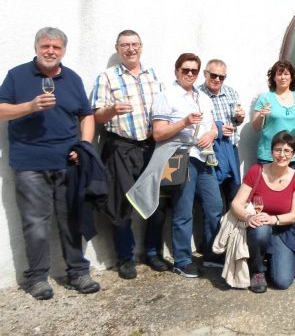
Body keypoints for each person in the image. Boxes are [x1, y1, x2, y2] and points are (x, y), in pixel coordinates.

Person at [0, 27, 99, 299]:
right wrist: (30, 107)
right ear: (36, 48)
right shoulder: (17, 75)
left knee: (72, 220)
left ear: (63, 51)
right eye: (45, 46)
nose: (50, 51)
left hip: (68, 164)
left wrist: (85, 145)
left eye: (56, 47)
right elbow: (1, 110)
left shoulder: (72, 78)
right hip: (30, 164)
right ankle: (37, 278)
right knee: (36, 224)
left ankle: (78, 272)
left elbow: (86, 115)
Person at [90, 29, 167, 279]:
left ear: (141, 47)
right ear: (117, 48)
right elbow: (97, 115)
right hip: (120, 147)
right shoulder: (107, 77)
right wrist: (111, 110)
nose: (130, 49)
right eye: (125, 45)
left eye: (134, 44)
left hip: (150, 146)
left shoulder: (153, 75)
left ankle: (153, 252)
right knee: (120, 204)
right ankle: (126, 257)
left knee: (155, 202)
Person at [151, 53, 222, 278]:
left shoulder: (203, 97)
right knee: (183, 210)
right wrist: (183, 122)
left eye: (193, 70)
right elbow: (158, 133)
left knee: (214, 206)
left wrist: (211, 134)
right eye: (185, 70)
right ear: (176, 71)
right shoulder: (166, 96)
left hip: (203, 157)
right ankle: (182, 260)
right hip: (180, 157)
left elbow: (213, 126)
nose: (189, 74)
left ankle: (212, 255)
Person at [230, 131, 295, 293]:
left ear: (293, 154)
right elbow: (236, 203)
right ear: (271, 151)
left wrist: (273, 219)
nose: (282, 155)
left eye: (287, 151)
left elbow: (294, 215)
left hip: (283, 230)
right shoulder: (256, 171)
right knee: (261, 230)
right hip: (257, 227)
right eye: (278, 150)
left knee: (282, 281)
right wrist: (248, 216)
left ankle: (271, 256)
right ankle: (257, 269)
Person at [198, 59, 246, 204]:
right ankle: (215, 227)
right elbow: (196, 124)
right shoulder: (198, 94)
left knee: (234, 189)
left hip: (230, 147)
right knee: (214, 197)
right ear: (205, 74)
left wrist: (239, 118)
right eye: (213, 75)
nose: (217, 79)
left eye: (221, 77)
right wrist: (218, 130)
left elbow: (236, 121)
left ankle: (229, 226)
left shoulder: (231, 92)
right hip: (210, 151)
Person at [252, 60, 295, 168]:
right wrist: (261, 115)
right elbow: (255, 127)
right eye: (279, 74)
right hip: (269, 155)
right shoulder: (265, 98)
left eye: (286, 74)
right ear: (274, 78)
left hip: (294, 155)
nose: (283, 77)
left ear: (291, 77)